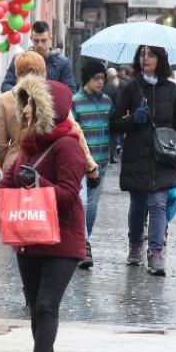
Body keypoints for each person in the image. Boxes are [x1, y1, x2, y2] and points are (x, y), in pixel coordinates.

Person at [0, 75, 86, 352]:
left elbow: (68, 195)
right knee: (36, 308)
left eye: (32, 105)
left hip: (62, 240)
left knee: (48, 304)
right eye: (26, 104)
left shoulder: (68, 146)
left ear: (48, 109)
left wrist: (37, 181)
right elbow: (5, 186)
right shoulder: (25, 146)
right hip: (29, 235)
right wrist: (12, 185)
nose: (25, 111)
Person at [111, 45, 176, 276]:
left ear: (160, 59)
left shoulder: (172, 90)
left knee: (158, 203)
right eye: (142, 54)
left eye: (151, 55)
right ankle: (135, 245)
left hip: (163, 156)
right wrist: (134, 119)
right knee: (139, 204)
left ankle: (155, 253)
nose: (146, 59)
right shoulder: (132, 88)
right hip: (137, 155)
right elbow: (114, 123)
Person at [72, 58, 113, 269]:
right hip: (80, 164)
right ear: (88, 78)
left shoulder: (107, 101)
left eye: (103, 79)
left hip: (101, 162)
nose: (100, 82)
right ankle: (82, 244)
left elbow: (114, 125)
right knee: (83, 204)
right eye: (96, 78)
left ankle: (83, 240)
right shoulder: (75, 101)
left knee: (93, 207)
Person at [0, 21, 75, 92]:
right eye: (36, 41)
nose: (40, 45)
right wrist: (24, 93)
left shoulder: (62, 63)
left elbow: (70, 91)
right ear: (31, 39)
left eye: (43, 40)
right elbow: (5, 86)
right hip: (23, 104)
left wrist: (47, 93)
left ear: (50, 38)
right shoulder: (19, 59)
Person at [104, 66, 123, 163]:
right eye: (113, 76)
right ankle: (111, 156)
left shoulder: (103, 86)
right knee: (112, 138)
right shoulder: (113, 88)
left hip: (106, 116)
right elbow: (118, 104)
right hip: (113, 116)